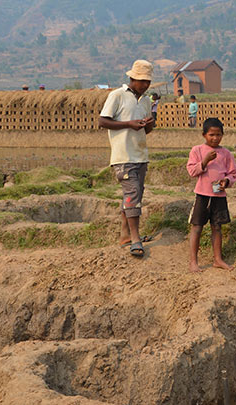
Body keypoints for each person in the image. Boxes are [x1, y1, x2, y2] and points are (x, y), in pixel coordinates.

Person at [98, 59, 156, 257]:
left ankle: (125, 235)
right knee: (132, 196)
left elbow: (146, 130)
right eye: (142, 81)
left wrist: (149, 123)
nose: (146, 85)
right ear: (132, 78)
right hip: (123, 156)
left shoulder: (146, 101)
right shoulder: (117, 96)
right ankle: (135, 238)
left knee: (135, 195)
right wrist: (128, 124)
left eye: (148, 81)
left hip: (140, 155)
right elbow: (103, 121)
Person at [186, 117, 236, 272]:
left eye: (218, 135)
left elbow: (233, 173)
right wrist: (204, 161)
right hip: (202, 195)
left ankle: (218, 259)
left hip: (219, 196)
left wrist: (227, 181)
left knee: (217, 227)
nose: (215, 138)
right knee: (197, 227)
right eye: (211, 135)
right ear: (204, 135)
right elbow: (191, 171)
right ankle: (193, 262)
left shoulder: (226, 153)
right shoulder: (197, 151)